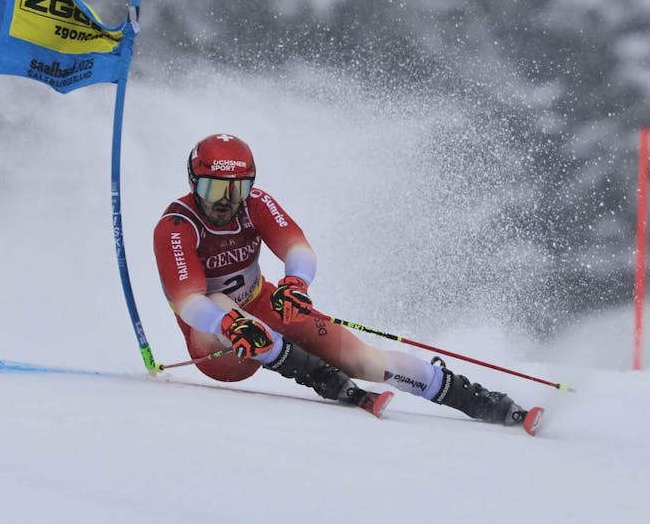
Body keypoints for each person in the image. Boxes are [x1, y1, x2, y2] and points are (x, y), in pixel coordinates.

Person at [153, 133, 528, 425]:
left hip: (261, 305)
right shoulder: (176, 227)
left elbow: (298, 249)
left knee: (364, 360)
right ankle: (317, 375)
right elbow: (189, 303)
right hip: (217, 346)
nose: (225, 200)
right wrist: (228, 323)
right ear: (193, 183)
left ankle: (475, 398)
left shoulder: (257, 205)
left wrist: (296, 284)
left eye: (237, 189)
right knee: (224, 307)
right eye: (213, 188)